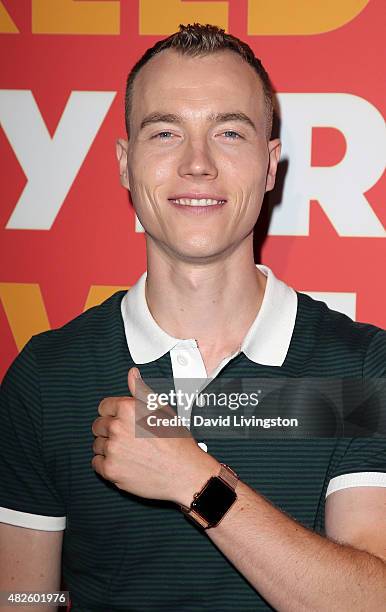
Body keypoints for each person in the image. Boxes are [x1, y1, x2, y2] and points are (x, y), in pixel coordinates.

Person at [1, 23, 385, 612]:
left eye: (229, 132)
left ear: (269, 166)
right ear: (126, 165)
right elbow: (23, 598)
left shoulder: (358, 370)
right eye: (165, 133)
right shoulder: (48, 377)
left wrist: (194, 481)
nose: (197, 163)